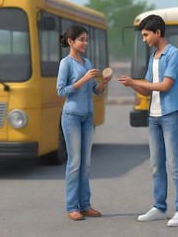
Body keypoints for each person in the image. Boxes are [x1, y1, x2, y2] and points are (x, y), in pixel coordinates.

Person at [117, 15, 178, 227]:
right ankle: (159, 207)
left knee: (175, 165)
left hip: (170, 115)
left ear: (158, 32)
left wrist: (135, 81)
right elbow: (148, 90)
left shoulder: (173, 54)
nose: (144, 39)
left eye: (146, 35)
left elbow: (165, 86)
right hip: (154, 116)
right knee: (156, 165)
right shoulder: (153, 57)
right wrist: (131, 85)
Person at [57, 25, 111, 221]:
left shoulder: (87, 62)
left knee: (86, 164)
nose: (85, 43)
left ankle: (85, 205)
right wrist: (83, 79)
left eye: (86, 39)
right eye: (81, 39)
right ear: (71, 42)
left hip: (87, 117)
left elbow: (95, 90)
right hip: (71, 117)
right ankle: (72, 207)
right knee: (75, 163)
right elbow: (61, 91)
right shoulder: (66, 63)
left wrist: (103, 82)